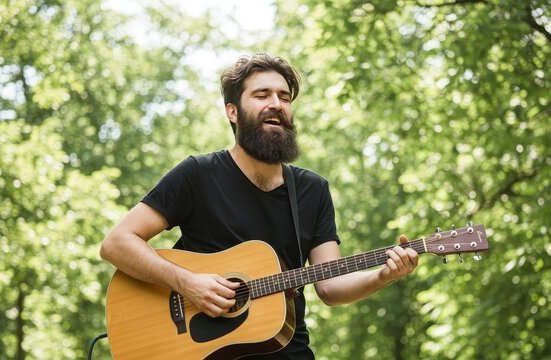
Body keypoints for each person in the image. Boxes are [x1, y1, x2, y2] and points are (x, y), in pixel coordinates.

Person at [100, 52, 419, 359]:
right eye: (262, 94)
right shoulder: (197, 175)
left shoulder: (312, 190)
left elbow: (330, 286)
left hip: (287, 351)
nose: (276, 104)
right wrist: (188, 283)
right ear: (232, 111)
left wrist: (382, 276)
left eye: (284, 97)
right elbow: (117, 244)